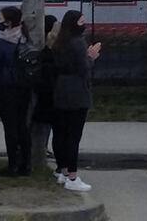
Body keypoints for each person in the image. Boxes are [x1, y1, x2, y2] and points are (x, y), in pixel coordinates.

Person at [51, 10, 101, 192]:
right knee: (73, 136)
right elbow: (83, 68)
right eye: (81, 21)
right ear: (75, 24)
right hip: (77, 93)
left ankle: (63, 171)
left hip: (60, 90)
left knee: (61, 134)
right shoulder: (78, 43)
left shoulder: (58, 43)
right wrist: (91, 57)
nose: (84, 24)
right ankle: (72, 176)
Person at [0, 6, 33, 177]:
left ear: (8, 23)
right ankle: (25, 164)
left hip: (6, 85)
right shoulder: (25, 38)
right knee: (22, 124)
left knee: (10, 126)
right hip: (24, 86)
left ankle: (12, 165)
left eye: (0, 18)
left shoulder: (1, 42)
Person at [31, 14, 59, 161]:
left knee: (41, 121)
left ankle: (41, 148)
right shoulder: (51, 49)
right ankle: (42, 148)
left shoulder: (41, 49)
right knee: (44, 123)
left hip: (42, 89)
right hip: (48, 91)